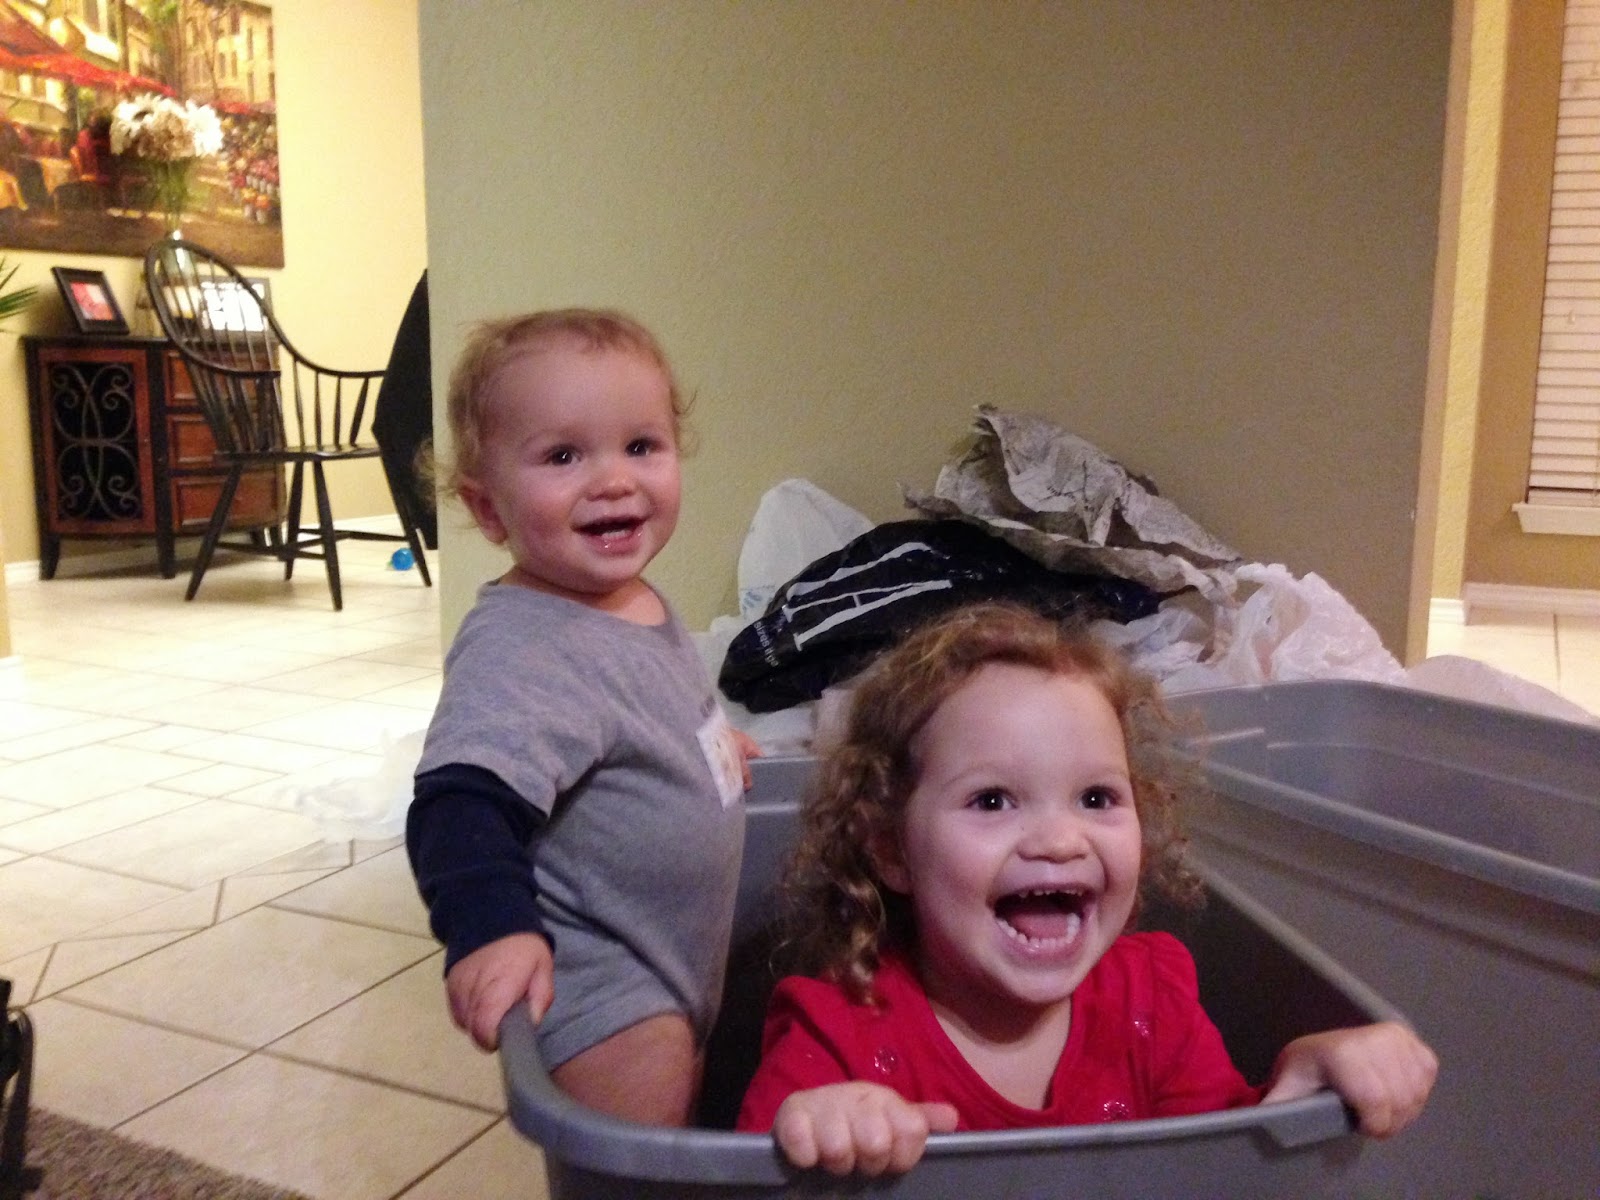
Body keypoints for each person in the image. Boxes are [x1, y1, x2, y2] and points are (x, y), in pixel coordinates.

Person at [735, 604, 1437, 1176]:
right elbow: (739, 1176)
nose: (1060, 839)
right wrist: (816, 1132)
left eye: (1097, 798)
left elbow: (1216, 1169)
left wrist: (1303, 1076)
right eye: (992, 800)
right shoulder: (838, 1030)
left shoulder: (1151, 1000)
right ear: (890, 848)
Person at [407, 309, 754, 1125]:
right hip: (607, 988)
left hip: (678, 950)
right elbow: (458, 801)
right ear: (488, 509)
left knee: (690, 1130)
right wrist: (491, 929)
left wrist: (705, 745)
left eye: (641, 445)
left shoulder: (631, 597)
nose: (614, 480)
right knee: (643, 1161)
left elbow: (635, 711)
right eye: (564, 456)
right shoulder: (524, 647)